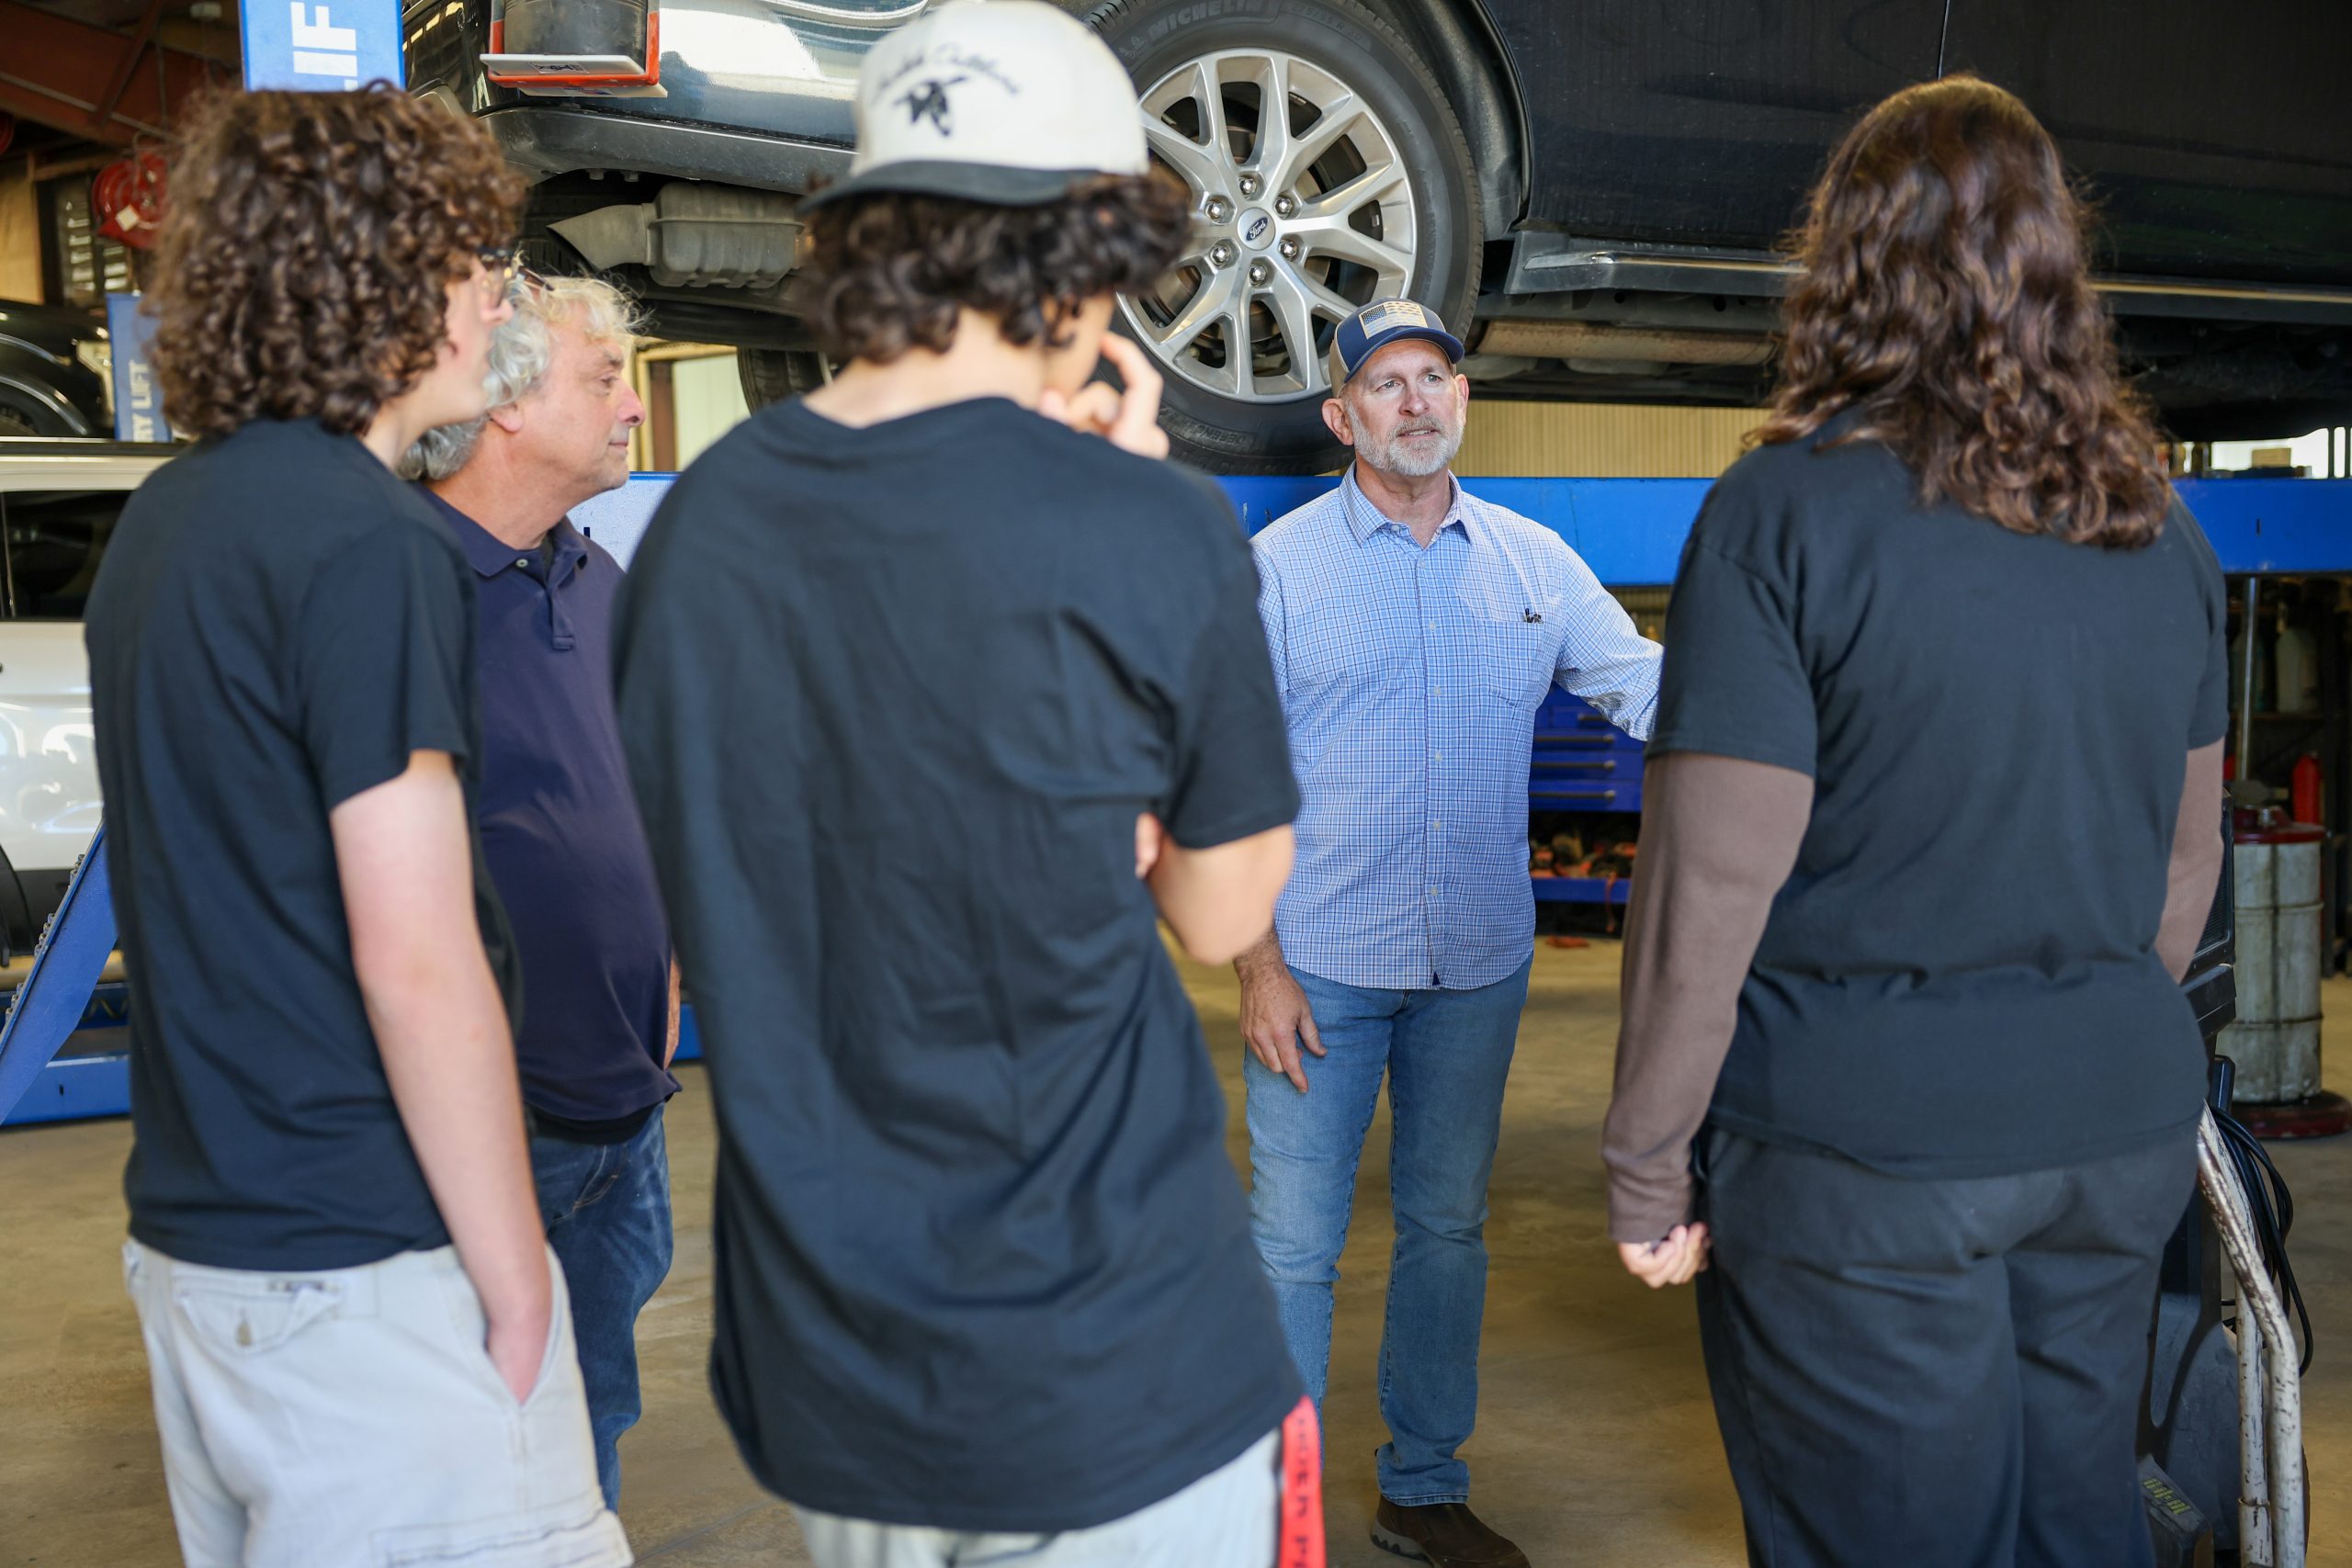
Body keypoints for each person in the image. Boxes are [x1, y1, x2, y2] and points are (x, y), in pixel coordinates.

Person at [611, 5, 1306, 1564]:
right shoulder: (1150, 528)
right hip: (1116, 1357)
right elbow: (1224, 908)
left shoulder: (701, 526)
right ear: (1087, 249)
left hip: (837, 1375)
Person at [1602, 76, 2228, 1568]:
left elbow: (1710, 894)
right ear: (2057, 263)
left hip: (1862, 1153)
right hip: (2114, 1133)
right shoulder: (2159, 522)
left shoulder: (1786, 511)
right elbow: (2185, 863)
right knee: (2078, 1522)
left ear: (1848, 260)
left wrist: (1648, 1164)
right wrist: (2066, 1015)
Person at [85, 86, 628, 1564]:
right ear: (375, 276)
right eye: (471, 262)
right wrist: (516, 1272)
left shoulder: (169, 520)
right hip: (369, 1262)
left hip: (203, 1247)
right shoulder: (365, 535)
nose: (490, 301)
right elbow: (415, 949)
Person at [1239, 299, 1661, 1568]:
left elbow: (1639, 685)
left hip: (1477, 962)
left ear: (1463, 400)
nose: (1416, 400)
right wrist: (1254, 962)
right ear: (1342, 416)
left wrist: (1791, 696)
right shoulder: (1282, 571)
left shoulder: (1534, 563)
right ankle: (1284, 1519)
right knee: (1293, 1249)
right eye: (1386, 383)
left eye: (1436, 377)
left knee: (1446, 1229)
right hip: (1314, 962)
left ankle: (1421, 1488)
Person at [401, 274, 677, 1511]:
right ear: (506, 403)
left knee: (594, 1414)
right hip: (493, 1126)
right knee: (472, 1442)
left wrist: (662, 980)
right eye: (604, 378)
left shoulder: (596, 580)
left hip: (629, 1108)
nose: (631, 409)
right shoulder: (404, 594)